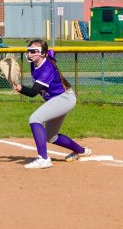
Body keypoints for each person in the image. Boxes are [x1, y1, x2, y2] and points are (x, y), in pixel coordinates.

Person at [13, 39, 91, 168]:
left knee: (35, 119)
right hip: (58, 99)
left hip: (64, 98)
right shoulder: (35, 63)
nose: (29, 54)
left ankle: (43, 159)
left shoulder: (47, 68)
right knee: (51, 136)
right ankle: (82, 151)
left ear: (43, 54)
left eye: (33, 51)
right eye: (29, 51)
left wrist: (20, 88)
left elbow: (33, 92)